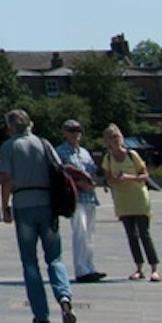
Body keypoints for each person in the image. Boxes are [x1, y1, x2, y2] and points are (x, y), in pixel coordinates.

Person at [0, 109, 76, 323]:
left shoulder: (10, 146)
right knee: (55, 257)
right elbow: (59, 169)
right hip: (47, 204)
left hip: (23, 203)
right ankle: (63, 296)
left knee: (30, 263)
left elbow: (6, 179)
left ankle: (41, 315)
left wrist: (4, 206)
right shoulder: (44, 143)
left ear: (11, 127)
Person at [101, 124, 161, 282]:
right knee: (131, 235)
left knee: (144, 234)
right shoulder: (108, 158)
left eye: (116, 136)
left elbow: (145, 175)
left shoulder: (132, 154)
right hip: (122, 200)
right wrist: (114, 180)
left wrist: (129, 177)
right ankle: (139, 268)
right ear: (107, 141)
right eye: (111, 137)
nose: (115, 140)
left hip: (138, 198)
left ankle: (154, 268)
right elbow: (107, 179)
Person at [57, 119, 106, 282]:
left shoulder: (84, 152)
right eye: (71, 131)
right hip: (75, 197)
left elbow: (92, 170)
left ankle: (89, 265)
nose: (75, 134)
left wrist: (92, 182)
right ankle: (81, 269)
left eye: (78, 131)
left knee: (90, 233)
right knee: (80, 231)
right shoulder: (61, 151)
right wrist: (79, 184)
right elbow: (61, 175)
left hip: (90, 196)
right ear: (65, 133)